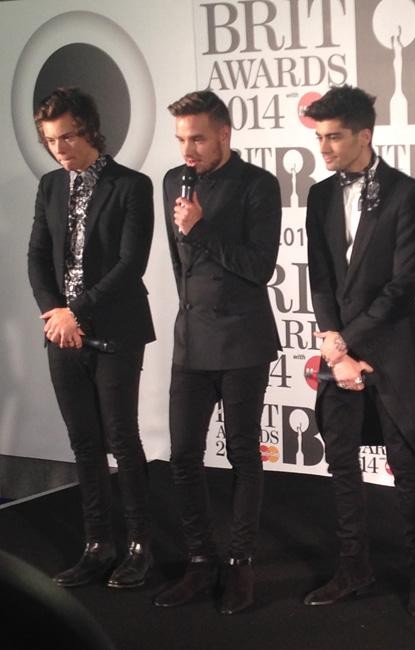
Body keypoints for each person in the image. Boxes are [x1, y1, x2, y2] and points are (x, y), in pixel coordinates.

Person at [302, 85, 415, 617]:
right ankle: (353, 566)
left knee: (406, 466)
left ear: (365, 135)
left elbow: (401, 285)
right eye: (319, 138)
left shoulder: (408, 193)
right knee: (341, 461)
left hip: (391, 350)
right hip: (339, 352)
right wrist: (335, 347)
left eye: (334, 137)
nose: (324, 148)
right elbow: (320, 278)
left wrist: (345, 344)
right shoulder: (319, 196)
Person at [153, 90, 281, 614]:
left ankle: (240, 563)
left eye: (198, 139)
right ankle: (201, 560)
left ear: (225, 133)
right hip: (192, 339)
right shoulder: (172, 182)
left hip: (243, 340)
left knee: (242, 452)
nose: (188, 150)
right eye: (181, 139)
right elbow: (177, 263)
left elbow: (259, 267)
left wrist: (201, 228)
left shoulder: (258, 185)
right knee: (183, 454)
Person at [27, 87, 155, 589]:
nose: (59, 148)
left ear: (90, 130)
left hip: (116, 329)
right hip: (61, 333)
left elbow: (130, 264)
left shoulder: (132, 186)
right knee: (84, 443)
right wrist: (53, 313)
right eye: (50, 140)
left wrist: (74, 312)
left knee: (122, 438)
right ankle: (98, 545)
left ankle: (140, 546)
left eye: (67, 137)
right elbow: (37, 256)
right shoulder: (50, 186)